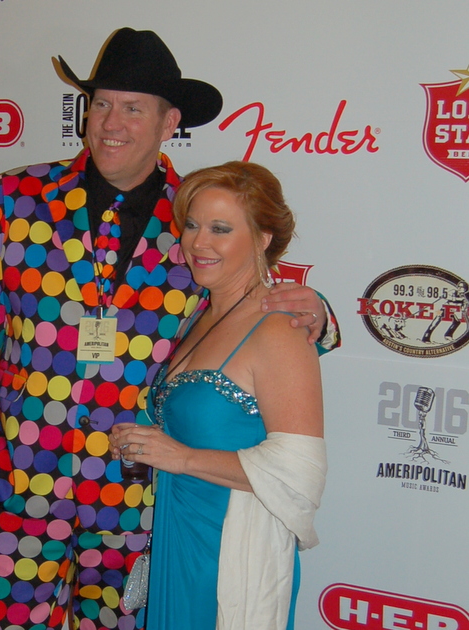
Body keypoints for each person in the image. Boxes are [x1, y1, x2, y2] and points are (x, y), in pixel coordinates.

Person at [0, 28, 337, 630]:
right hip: (16, 486)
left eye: (133, 108)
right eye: (101, 103)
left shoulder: (195, 213)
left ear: (169, 121)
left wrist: (321, 317)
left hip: (139, 498)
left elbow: (252, 303)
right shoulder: (19, 197)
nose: (111, 123)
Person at [110, 161, 327, 630]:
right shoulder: (197, 314)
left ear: (263, 238)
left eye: (220, 229)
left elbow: (300, 472)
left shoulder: (280, 329)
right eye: (192, 225)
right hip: (177, 532)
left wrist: (181, 457)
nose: (198, 242)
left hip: (231, 550)